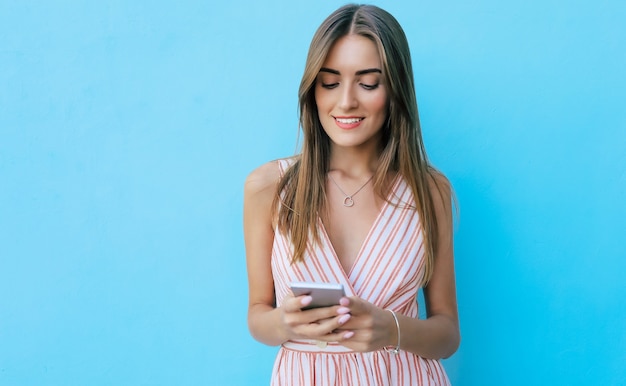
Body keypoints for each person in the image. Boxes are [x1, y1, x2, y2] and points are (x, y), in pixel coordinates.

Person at [243, 4, 459, 385]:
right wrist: (284, 320)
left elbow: (447, 334)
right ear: (313, 91)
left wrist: (392, 330)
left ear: (395, 90)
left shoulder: (429, 190)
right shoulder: (268, 187)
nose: (346, 102)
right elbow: (258, 317)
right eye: (329, 82)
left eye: (368, 82)